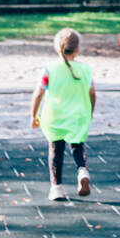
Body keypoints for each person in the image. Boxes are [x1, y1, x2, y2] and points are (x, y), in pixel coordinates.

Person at [30, 28, 96, 201]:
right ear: (77, 49)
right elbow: (92, 93)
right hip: (79, 115)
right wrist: (90, 112)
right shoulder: (86, 70)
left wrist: (34, 115)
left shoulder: (50, 69)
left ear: (57, 48)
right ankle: (83, 171)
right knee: (78, 145)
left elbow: (38, 93)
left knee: (56, 149)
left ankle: (56, 188)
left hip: (55, 116)